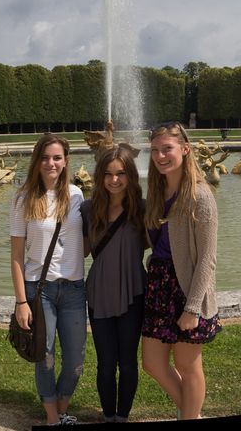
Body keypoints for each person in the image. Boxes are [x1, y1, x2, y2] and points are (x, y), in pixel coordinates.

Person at [141, 122, 221, 420]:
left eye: (167, 149)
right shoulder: (158, 190)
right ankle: (193, 413)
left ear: (185, 150)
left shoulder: (200, 196)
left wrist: (192, 307)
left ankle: (189, 416)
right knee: (152, 363)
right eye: (155, 151)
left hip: (188, 287)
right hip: (160, 283)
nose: (160, 156)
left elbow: (207, 260)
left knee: (188, 365)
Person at [10, 134, 86, 426]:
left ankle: (62, 407)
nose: (50, 163)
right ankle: (54, 419)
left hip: (75, 288)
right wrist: (20, 301)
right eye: (44, 157)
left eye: (56, 157)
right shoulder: (23, 198)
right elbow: (17, 256)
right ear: (36, 161)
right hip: (38, 289)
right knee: (45, 357)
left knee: (75, 362)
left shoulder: (78, 195)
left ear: (66, 161)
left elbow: (86, 239)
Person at [81, 146, 148, 423]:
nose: (114, 180)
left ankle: (123, 417)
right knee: (106, 364)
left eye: (121, 173)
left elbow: (158, 244)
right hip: (99, 293)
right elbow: (80, 251)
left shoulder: (142, 208)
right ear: (100, 176)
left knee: (128, 362)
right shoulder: (87, 209)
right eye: (108, 174)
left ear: (130, 175)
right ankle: (108, 416)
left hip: (133, 291)